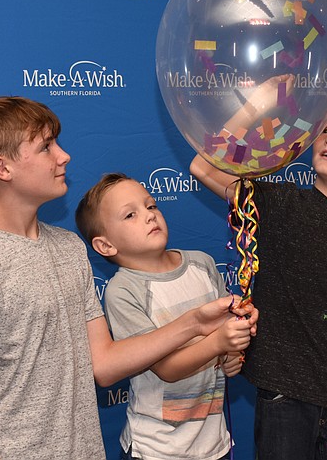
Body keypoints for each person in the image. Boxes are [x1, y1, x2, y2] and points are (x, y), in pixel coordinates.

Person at [0, 96, 256, 460]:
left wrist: (195, 323)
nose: (63, 156)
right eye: (46, 147)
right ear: (3, 168)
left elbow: (105, 366)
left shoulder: (69, 247)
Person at [190, 91, 327, 459]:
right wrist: (256, 102)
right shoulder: (278, 203)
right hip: (282, 401)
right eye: (326, 129)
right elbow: (203, 167)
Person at [75, 173, 250, 460]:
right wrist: (219, 343)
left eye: (151, 206)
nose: (149, 216)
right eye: (130, 215)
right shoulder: (124, 291)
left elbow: (225, 337)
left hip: (213, 442)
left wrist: (233, 354)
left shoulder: (202, 264)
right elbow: (167, 369)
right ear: (105, 246)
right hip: (156, 449)